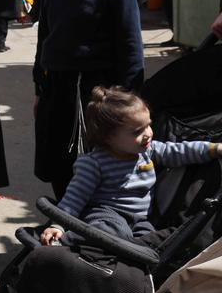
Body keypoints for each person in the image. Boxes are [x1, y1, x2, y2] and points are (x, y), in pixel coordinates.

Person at [33, 0, 144, 200]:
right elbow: (44, 40)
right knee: (57, 160)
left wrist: (126, 100)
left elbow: (131, 48)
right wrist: (39, 88)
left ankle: (93, 225)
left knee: (94, 162)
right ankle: (62, 218)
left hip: (95, 92)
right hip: (56, 90)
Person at [40, 87, 219, 246]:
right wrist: (59, 225)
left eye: (148, 125)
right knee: (111, 232)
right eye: (137, 131)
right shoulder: (94, 164)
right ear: (108, 138)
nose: (147, 134)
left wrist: (214, 148)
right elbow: (73, 199)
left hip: (140, 219)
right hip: (106, 214)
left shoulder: (148, 151)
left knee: (151, 243)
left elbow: (179, 151)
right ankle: (66, 242)